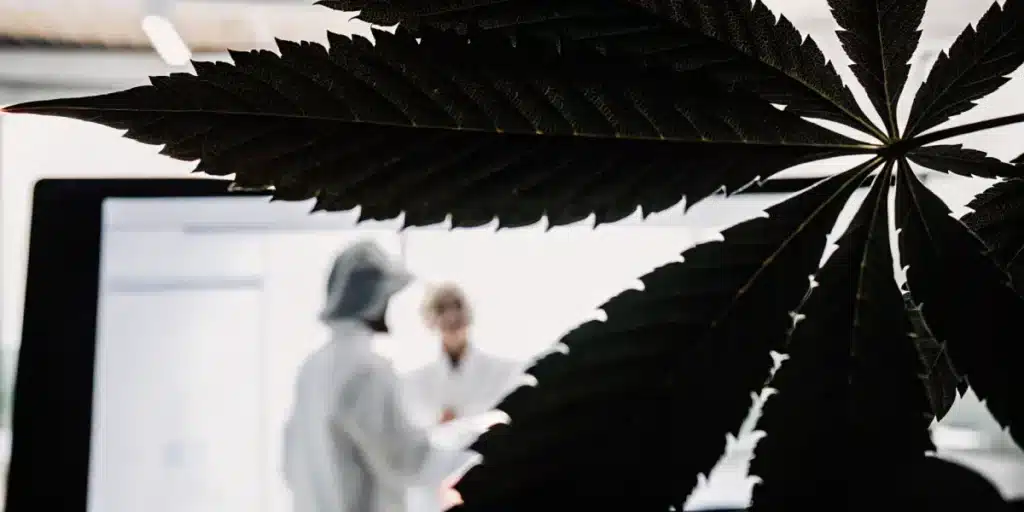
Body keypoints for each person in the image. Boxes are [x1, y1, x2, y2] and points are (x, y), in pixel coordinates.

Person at [282, 242, 506, 512]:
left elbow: (289, 461)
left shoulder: (313, 368)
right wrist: (489, 444)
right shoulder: (366, 369)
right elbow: (410, 459)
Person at [401, 283, 525, 512]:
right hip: (435, 490)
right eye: (442, 309)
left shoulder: (503, 373)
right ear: (431, 320)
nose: (451, 316)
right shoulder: (414, 383)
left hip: (485, 478)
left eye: (456, 308)